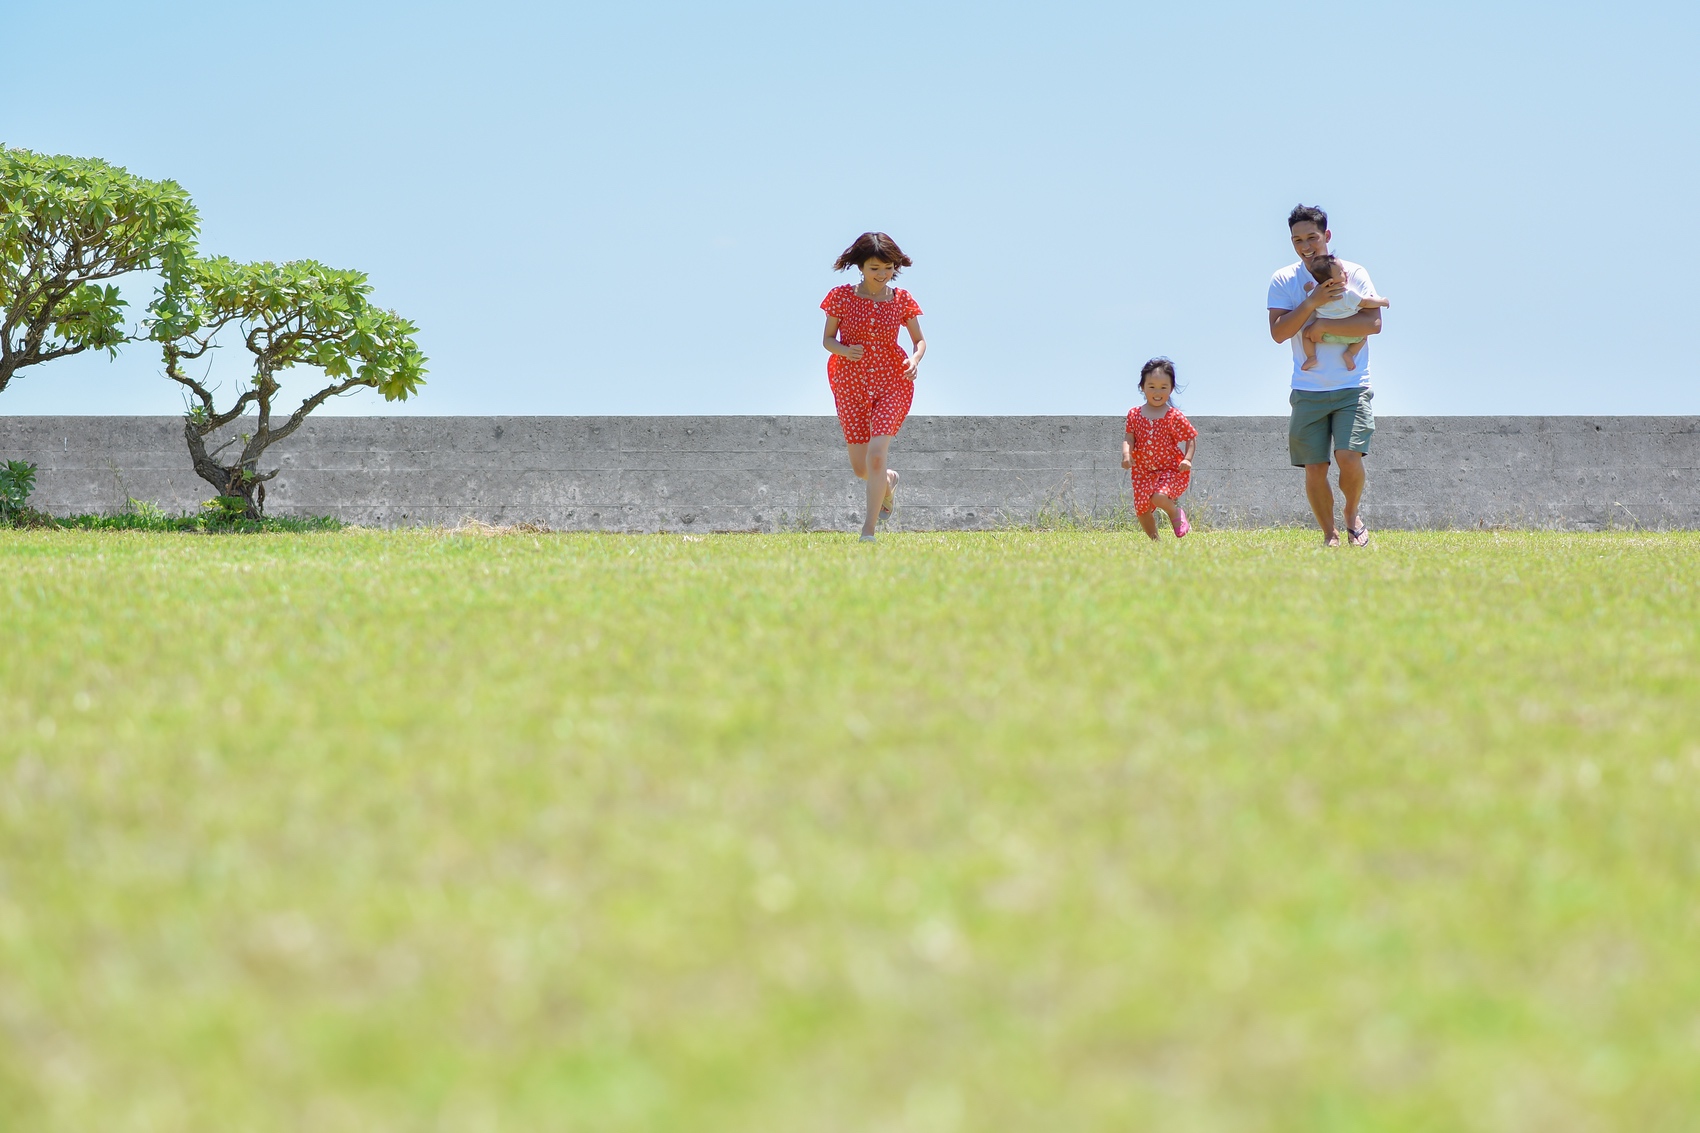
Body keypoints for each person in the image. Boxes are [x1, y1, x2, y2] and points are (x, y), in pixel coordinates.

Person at [1267, 205, 1384, 547]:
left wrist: (1320, 327)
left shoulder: (1354, 272)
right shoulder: (1283, 279)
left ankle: (1351, 513)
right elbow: (1278, 333)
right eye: (1297, 240)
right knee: (1315, 468)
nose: (1305, 246)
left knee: (1349, 458)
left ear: (1327, 236)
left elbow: (1374, 322)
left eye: (1312, 237)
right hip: (1308, 389)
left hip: (1352, 385)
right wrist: (1311, 302)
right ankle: (1329, 534)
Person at [820, 232, 926, 542]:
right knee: (861, 468)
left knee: (877, 455)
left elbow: (919, 341)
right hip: (850, 383)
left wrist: (915, 359)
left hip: (893, 381)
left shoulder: (902, 299)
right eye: (874, 268)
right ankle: (888, 482)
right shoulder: (841, 297)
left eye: (888, 268)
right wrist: (844, 350)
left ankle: (868, 531)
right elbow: (827, 340)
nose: (882, 275)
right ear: (861, 267)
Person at [1121, 357, 1197, 541]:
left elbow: (1190, 437)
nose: (1157, 392)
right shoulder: (1134, 414)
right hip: (1142, 471)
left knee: (1158, 497)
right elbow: (1129, 437)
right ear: (1142, 387)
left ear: (1171, 389)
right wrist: (1126, 454)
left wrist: (1187, 459)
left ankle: (1175, 513)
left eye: (1163, 387)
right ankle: (1156, 542)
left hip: (1170, 469)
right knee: (1142, 509)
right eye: (1152, 386)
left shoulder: (1173, 416)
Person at [1299, 254, 1390, 374]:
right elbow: (1365, 302)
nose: (1345, 272)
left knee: (1306, 333)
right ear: (1331, 282)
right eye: (1341, 272)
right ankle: (1349, 354)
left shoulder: (1317, 296)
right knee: (1364, 337)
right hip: (1351, 335)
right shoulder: (1346, 294)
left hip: (1324, 336)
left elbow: (1308, 298)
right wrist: (1382, 302)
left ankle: (1311, 357)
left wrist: (1307, 288)